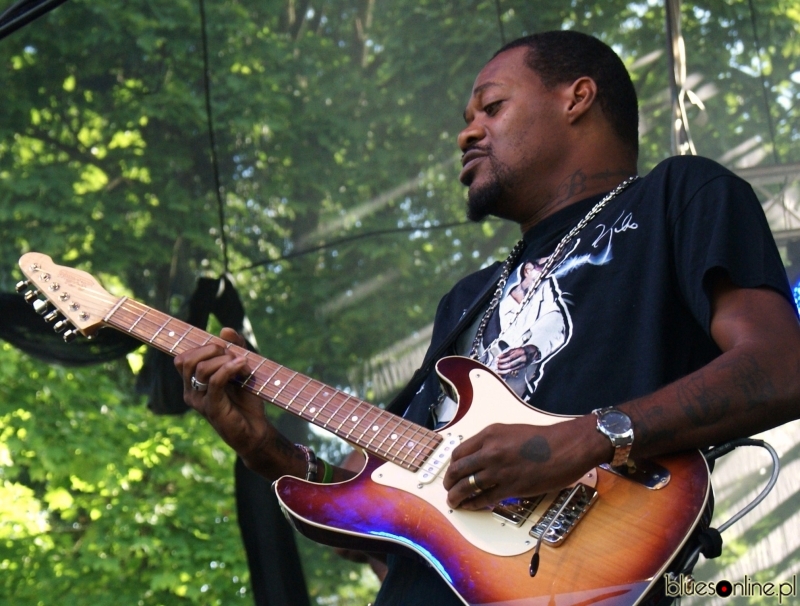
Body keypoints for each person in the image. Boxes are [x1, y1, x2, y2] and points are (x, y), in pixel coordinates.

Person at [174, 31, 800, 605]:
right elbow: (384, 518)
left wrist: (584, 438)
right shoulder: (466, 299)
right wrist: (265, 447)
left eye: (490, 108)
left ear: (577, 98)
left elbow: (781, 365)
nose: (465, 133)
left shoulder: (679, 195)